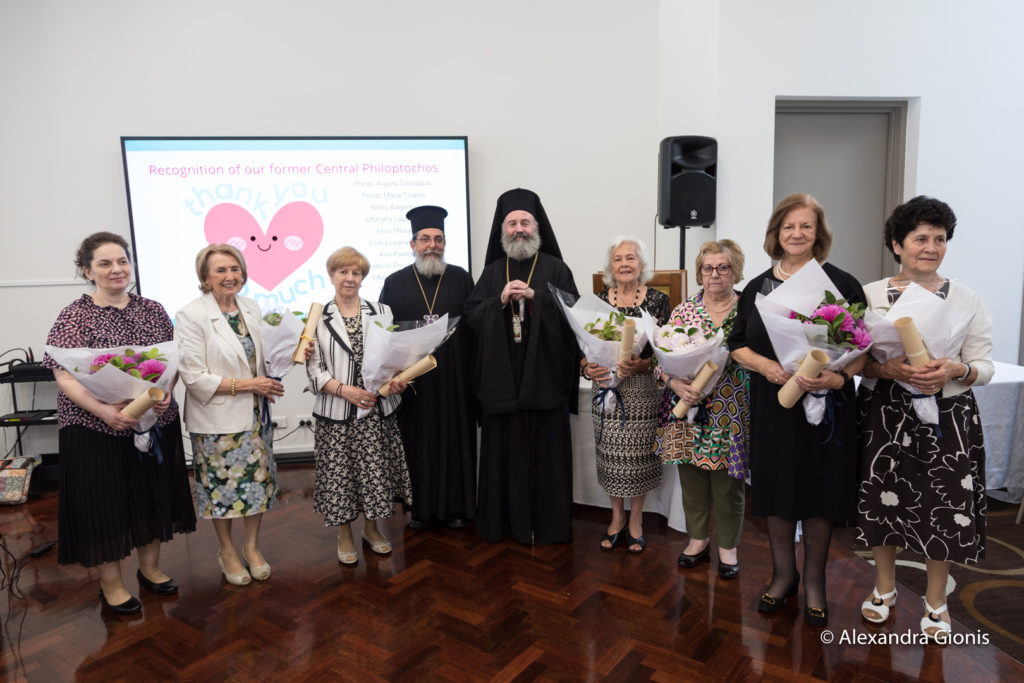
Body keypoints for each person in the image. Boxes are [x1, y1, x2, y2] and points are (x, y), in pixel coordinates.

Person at [856, 196, 992, 641]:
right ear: (897, 244)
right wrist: (887, 368)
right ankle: (885, 588)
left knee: (945, 508)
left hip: (949, 415)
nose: (930, 247)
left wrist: (956, 369)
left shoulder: (968, 298)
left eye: (939, 239)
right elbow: (856, 363)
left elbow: (984, 365)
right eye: (920, 238)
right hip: (887, 412)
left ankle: (936, 601)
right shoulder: (872, 295)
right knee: (883, 501)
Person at [728, 193, 867, 627]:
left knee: (819, 492)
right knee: (778, 489)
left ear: (818, 234)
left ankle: (815, 584)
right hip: (775, 405)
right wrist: (769, 367)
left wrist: (837, 378)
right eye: (789, 226)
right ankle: (782, 576)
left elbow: (862, 349)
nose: (797, 234)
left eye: (806, 226)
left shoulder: (842, 283)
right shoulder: (756, 287)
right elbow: (736, 345)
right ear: (776, 234)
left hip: (829, 408)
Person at [43, 232, 196, 615]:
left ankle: (151, 569)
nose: (116, 269)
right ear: (87, 271)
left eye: (122, 261)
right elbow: (64, 375)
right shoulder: (75, 315)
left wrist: (163, 398)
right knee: (107, 505)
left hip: (153, 422)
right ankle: (111, 584)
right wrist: (104, 411)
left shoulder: (153, 309)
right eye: (105, 263)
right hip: (95, 427)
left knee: (149, 496)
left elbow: (171, 363)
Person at [464, 187, 580, 545]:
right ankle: (504, 524)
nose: (518, 229)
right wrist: (497, 301)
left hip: (543, 380)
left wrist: (537, 299)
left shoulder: (556, 269)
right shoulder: (492, 272)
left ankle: (550, 525)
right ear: (502, 230)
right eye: (512, 223)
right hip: (503, 382)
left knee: (548, 457)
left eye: (524, 222)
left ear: (536, 226)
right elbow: (470, 317)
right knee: (504, 454)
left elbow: (575, 316)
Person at [176, 244, 283, 586]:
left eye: (234, 269)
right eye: (220, 270)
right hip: (216, 422)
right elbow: (194, 378)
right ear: (205, 277)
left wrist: (294, 352)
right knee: (222, 491)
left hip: (256, 418)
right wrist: (251, 384)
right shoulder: (190, 315)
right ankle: (227, 550)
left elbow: (265, 357)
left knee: (257, 486)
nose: (229, 276)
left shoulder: (251, 308)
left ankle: (251, 548)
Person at [306, 247, 412, 565]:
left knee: (374, 474)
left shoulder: (381, 311)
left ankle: (371, 529)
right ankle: (344, 536)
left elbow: (392, 359)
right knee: (340, 476)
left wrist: (398, 378)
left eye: (356, 273)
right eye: (343, 272)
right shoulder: (316, 317)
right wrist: (346, 391)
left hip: (376, 410)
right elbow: (314, 372)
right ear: (332, 276)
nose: (350, 278)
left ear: (363, 278)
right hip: (336, 413)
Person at [655, 240, 750, 579]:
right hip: (687, 407)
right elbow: (659, 361)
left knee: (728, 484)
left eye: (722, 267)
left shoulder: (746, 310)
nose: (714, 274)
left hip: (731, 408)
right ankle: (697, 540)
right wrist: (673, 382)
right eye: (707, 268)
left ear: (734, 271)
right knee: (692, 480)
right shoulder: (684, 310)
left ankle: (728, 546)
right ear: (699, 273)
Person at [379, 206, 477, 529]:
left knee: (455, 442)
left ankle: (458, 509)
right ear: (412, 244)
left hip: (455, 378)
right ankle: (418, 509)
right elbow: (384, 335)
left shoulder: (461, 278)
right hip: (414, 383)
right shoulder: (394, 283)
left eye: (438, 239)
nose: (431, 245)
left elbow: (477, 327)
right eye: (424, 239)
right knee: (417, 445)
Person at [581, 237, 670, 554]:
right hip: (605, 387)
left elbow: (666, 352)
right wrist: (586, 368)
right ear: (610, 267)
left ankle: (636, 520)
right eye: (618, 259)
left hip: (642, 390)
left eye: (630, 258)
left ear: (642, 265)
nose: (624, 264)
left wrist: (644, 363)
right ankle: (616, 517)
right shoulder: (599, 301)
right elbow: (583, 350)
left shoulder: (659, 301)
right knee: (610, 456)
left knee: (638, 458)